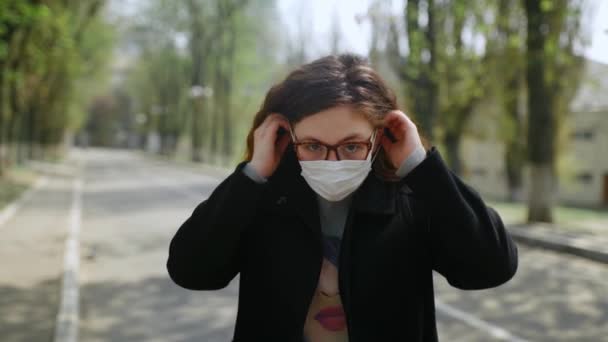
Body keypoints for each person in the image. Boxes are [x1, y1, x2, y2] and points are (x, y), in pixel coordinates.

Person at [166, 53, 519, 342]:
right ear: (286, 138)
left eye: (351, 145)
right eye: (314, 145)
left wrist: (421, 166)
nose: (332, 162)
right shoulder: (264, 199)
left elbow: (491, 267)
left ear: (379, 137)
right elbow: (192, 271)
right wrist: (252, 174)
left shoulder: (408, 199)